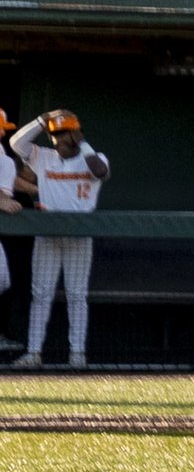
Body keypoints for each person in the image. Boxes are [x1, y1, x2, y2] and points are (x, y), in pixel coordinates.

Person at [10, 109, 105, 367]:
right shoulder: (44, 157)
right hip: (48, 233)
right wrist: (44, 119)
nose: (56, 140)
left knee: (77, 295)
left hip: (79, 235)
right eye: (54, 134)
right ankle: (33, 353)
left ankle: (77, 355)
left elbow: (99, 172)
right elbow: (16, 143)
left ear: (74, 137)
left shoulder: (93, 158)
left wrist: (82, 141)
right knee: (40, 293)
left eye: (62, 135)